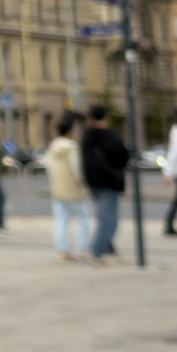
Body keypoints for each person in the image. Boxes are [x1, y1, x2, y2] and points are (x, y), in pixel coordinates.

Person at [81, 103, 129, 262]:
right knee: (109, 220)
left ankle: (108, 248)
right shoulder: (109, 136)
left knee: (103, 215)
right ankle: (95, 251)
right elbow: (122, 157)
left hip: (93, 183)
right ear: (106, 117)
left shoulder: (87, 136)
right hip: (109, 182)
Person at [46, 113, 91, 261]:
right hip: (73, 189)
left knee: (61, 220)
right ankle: (81, 249)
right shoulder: (72, 147)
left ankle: (62, 251)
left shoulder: (52, 147)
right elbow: (76, 169)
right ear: (70, 132)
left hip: (58, 189)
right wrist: (83, 184)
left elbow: (48, 168)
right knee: (83, 217)